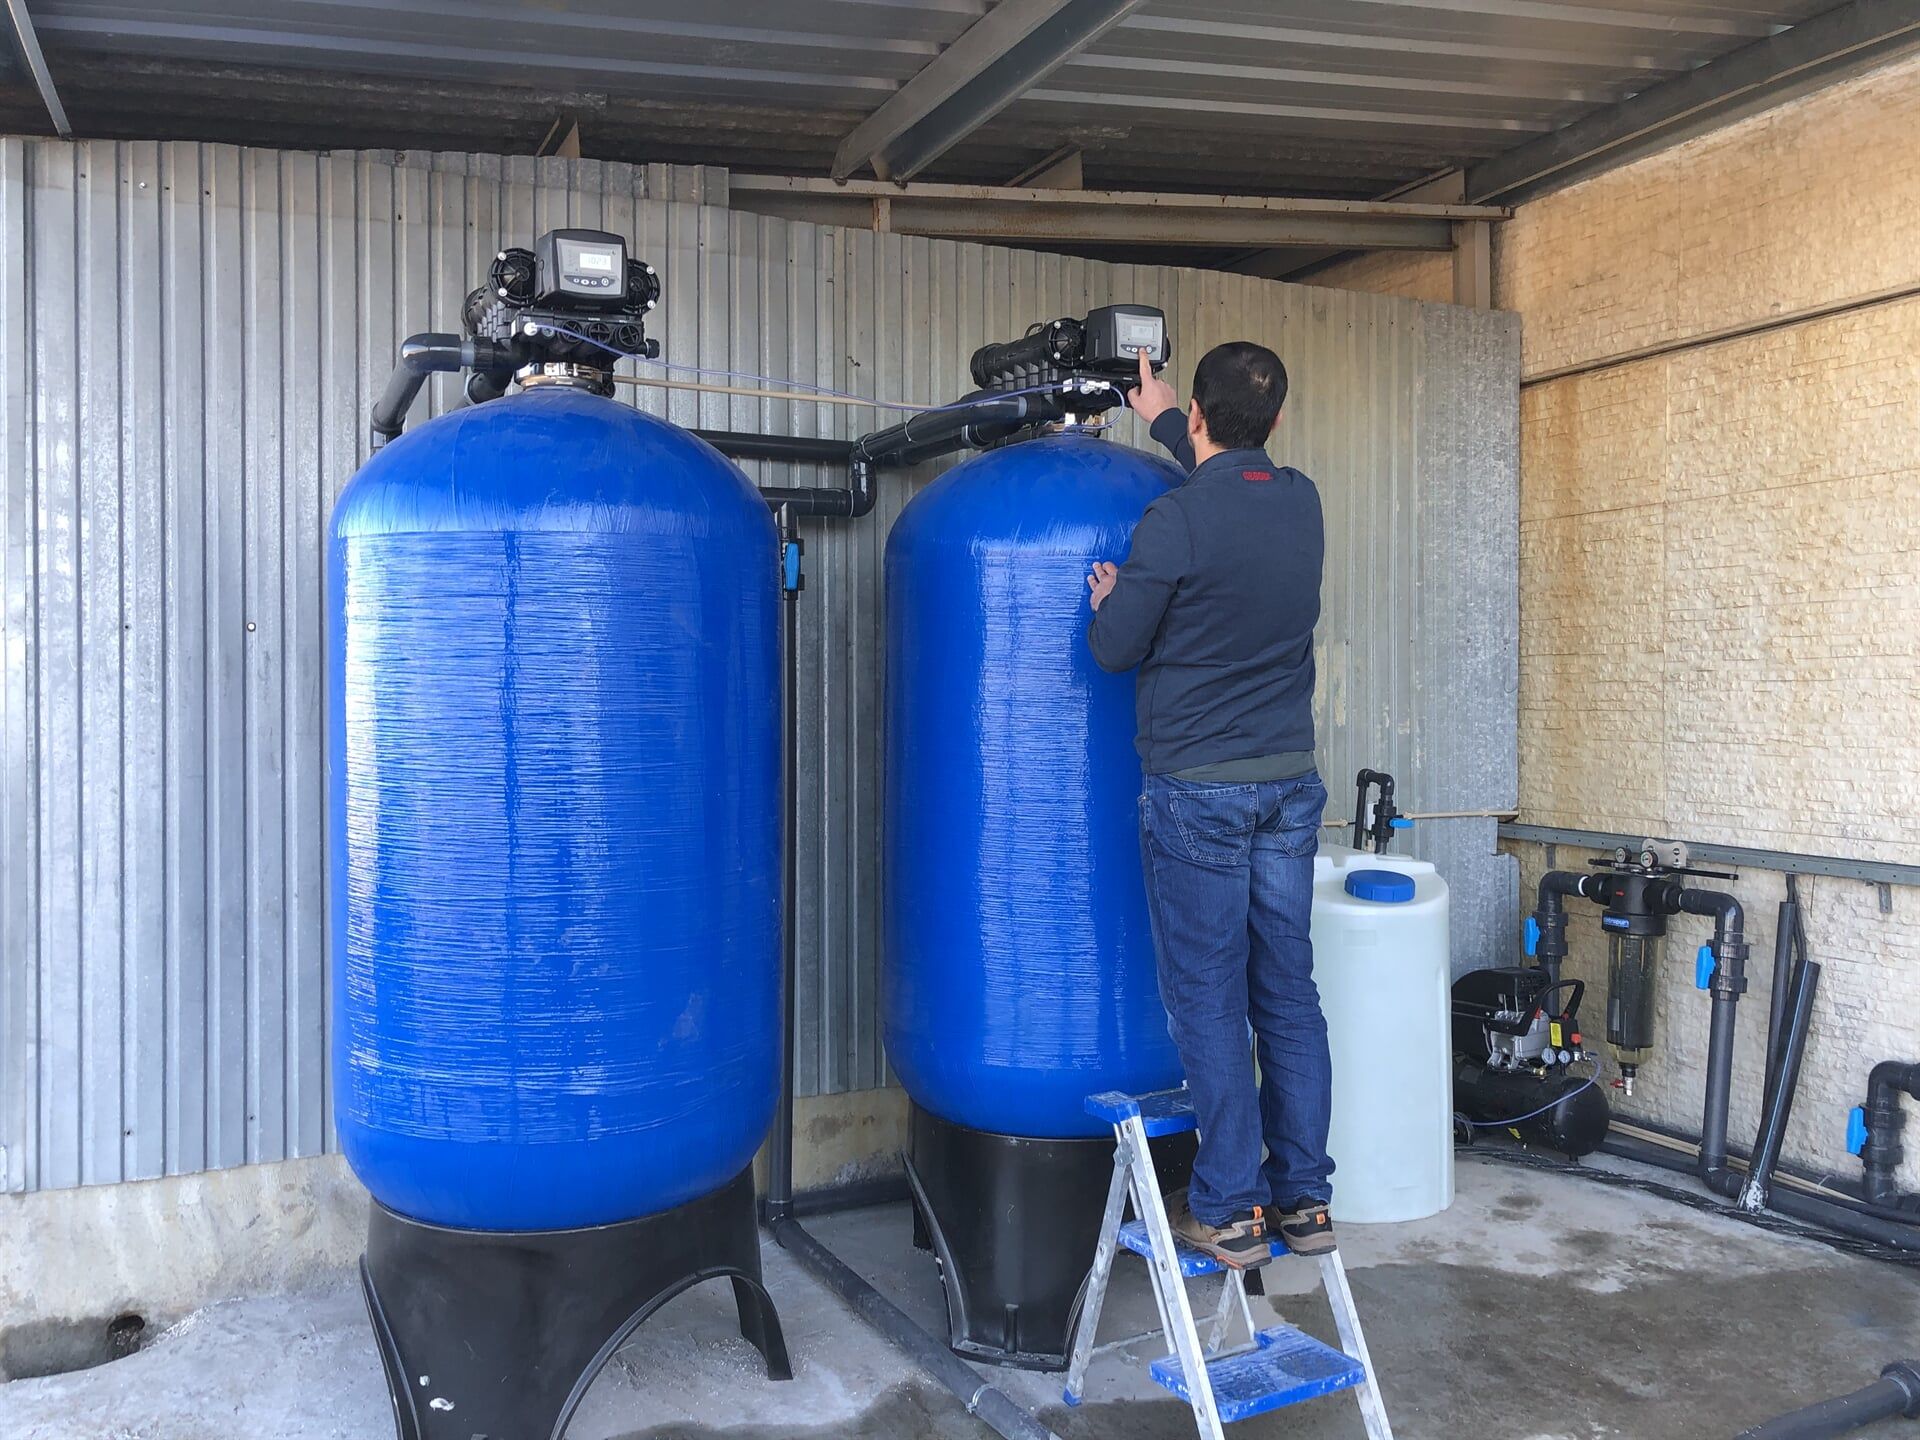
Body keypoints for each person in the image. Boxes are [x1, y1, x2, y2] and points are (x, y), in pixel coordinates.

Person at [1084, 343, 1333, 1268]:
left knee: (1210, 997)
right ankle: (1304, 1199)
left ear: (1197, 416)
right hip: (1290, 788)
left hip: (1200, 792)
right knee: (1288, 990)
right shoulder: (1301, 501)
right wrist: (1159, 412)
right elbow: (1232, 479)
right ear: (1279, 421)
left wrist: (1113, 599)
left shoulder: (1175, 521)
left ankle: (1229, 1207)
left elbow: (1115, 649)